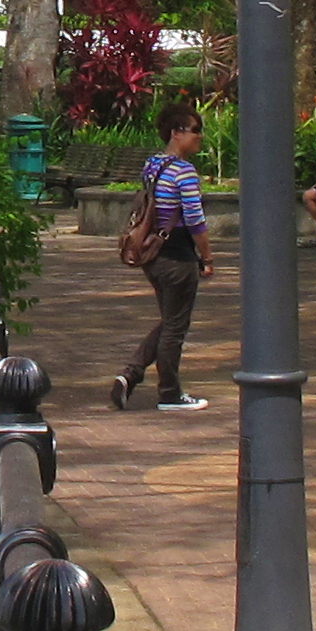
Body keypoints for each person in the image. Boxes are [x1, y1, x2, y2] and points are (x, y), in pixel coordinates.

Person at [112, 104, 216, 413]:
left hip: (152, 255)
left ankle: (129, 375)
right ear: (177, 133)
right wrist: (207, 256)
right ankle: (169, 393)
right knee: (175, 328)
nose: (200, 137)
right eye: (195, 130)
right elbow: (196, 221)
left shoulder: (153, 165)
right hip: (177, 256)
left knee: (170, 320)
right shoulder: (183, 171)